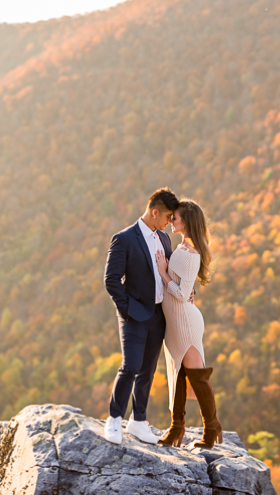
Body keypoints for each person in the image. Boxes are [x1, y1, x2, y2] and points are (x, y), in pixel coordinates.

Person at [103, 187, 180, 445]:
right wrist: (128, 309)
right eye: (168, 216)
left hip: (158, 315)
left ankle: (138, 422)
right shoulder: (124, 238)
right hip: (134, 314)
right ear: (154, 211)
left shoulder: (164, 239)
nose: (170, 222)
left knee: (148, 370)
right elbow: (111, 280)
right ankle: (114, 419)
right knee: (131, 366)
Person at [154, 199, 223, 449]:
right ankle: (176, 429)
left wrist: (163, 273)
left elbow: (182, 294)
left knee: (196, 377)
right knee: (178, 373)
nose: (171, 220)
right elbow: (185, 285)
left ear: (187, 221)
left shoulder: (192, 253)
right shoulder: (182, 246)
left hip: (186, 321)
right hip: (174, 321)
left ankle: (211, 427)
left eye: (176, 217)